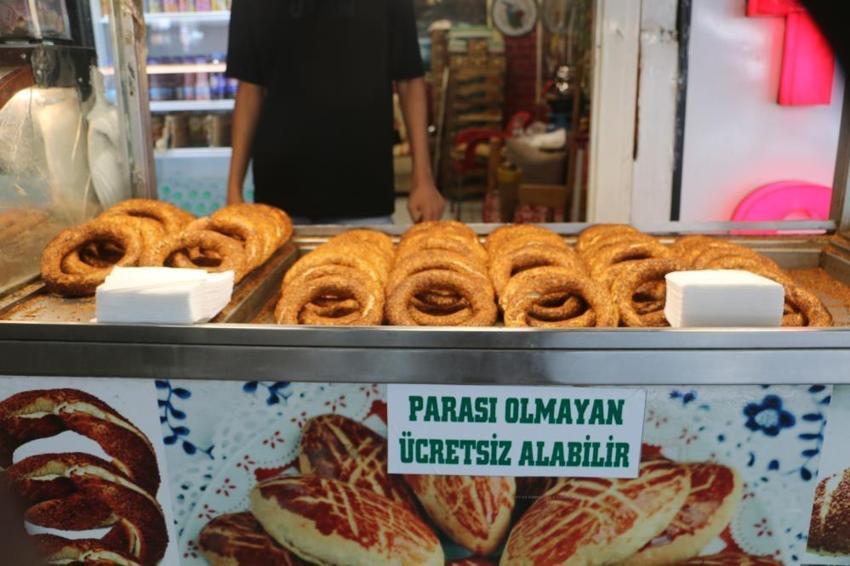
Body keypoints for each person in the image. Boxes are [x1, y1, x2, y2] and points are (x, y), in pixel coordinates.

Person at [225, 0, 445, 225]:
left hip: (364, 188)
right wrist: (233, 189)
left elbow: (409, 78)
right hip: (278, 195)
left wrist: (423, 179)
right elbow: (249, 88)